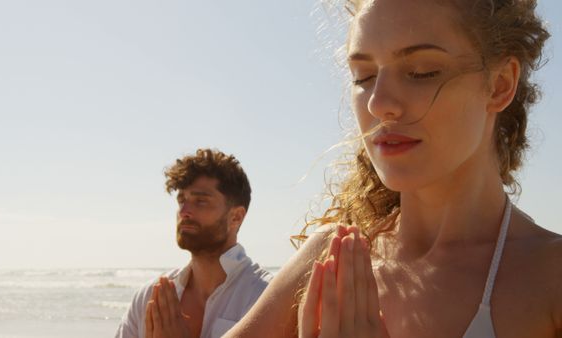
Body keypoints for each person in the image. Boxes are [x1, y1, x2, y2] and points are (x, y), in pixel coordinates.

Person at [223, 0, 561, 337]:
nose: (378, 102)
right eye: (364, 77)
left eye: (422, 72)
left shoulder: (549, 277)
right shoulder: (329, 258)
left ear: (500, 84)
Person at [115, 148, 272, 338]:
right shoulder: (149, 297)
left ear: (236, 217)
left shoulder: (264, 297)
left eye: (200, 201)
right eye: (182, 201)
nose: (184, 211)